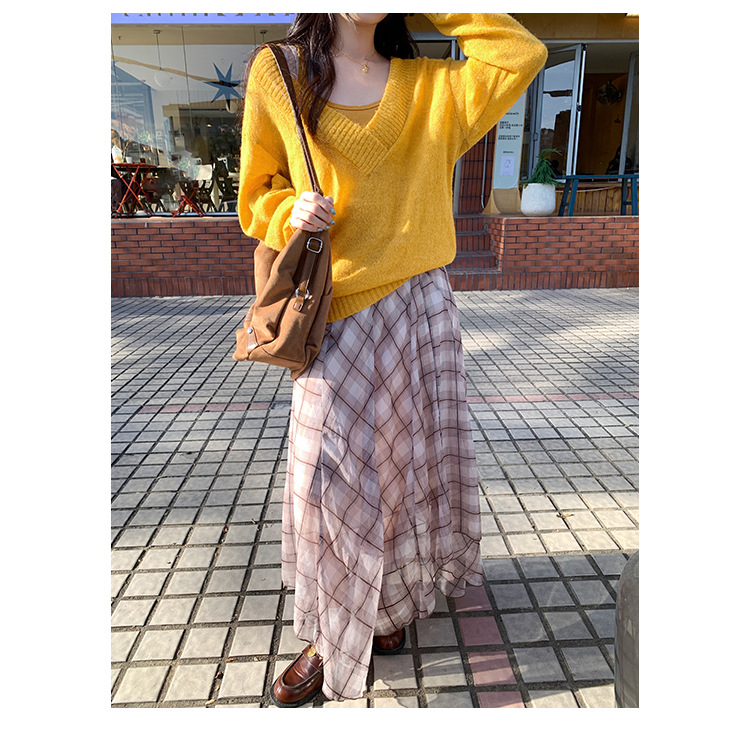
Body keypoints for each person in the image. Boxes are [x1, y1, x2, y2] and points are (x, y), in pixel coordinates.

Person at [238, 12, 547, 706]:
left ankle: (387, 607)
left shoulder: (433, 86)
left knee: (406, 472)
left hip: (419, 306)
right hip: (334, 310)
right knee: (326, 479)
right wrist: (288, 211)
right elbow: (254, 194)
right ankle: (330, 632)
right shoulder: (280, 72)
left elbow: (521, 52)